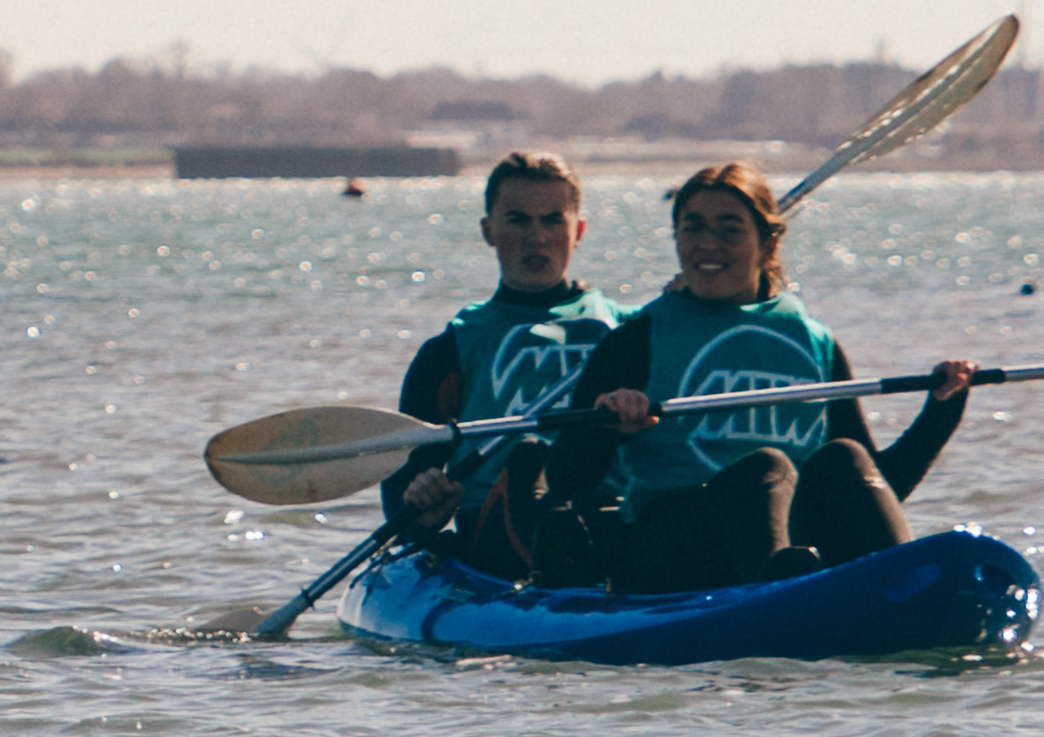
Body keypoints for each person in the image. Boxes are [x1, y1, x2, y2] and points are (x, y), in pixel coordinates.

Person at [513, 158, 967, 594]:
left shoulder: (814, 342)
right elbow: (565, 480)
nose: (707, 245)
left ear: (767, 245)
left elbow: (877, 488)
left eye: (728, 230)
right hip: (670, 549)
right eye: (693, 228)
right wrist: (608, 429)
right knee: (767, 467)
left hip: (794, 551)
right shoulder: (636, 339)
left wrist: (941, 412)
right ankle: (778, 594)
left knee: (844, 457)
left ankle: (905, 588)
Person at [398, 155, 624, 433]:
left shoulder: (628, 326)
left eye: (552, 221)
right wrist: (427, 478)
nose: (537, 237)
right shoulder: (450, 349)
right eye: (518, 221)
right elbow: (408, 469)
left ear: (578, 231)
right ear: (488, 230)